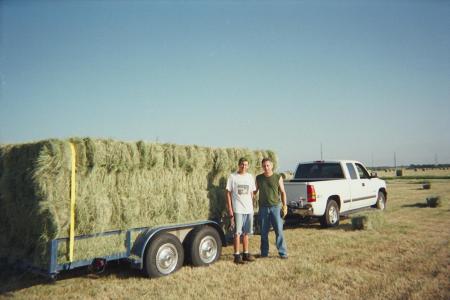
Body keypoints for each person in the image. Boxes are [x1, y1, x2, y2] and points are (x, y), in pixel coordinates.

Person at [255, 157, 288, 259]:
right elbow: (254, 192)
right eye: (264, 166)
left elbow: (282, 192)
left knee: (279, 230)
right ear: (262, 167)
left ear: (272, 166)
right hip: (263, 208)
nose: (266, 167)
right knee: (264, 232)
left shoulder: (278, 177)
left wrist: (285, 205)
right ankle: (264, 253)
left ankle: (283, 253)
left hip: (275, 207)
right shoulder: (259, 178)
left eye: (268, 165)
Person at [226, 157, 257, 264]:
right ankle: (237, 255)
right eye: (242, 164)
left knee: (246, 233)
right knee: (237, 233)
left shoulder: (250, 177)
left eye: (246, 164)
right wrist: (230, 209)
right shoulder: (232, 177)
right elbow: (228, 194)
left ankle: (246, 253)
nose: (244, 166)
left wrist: (252, 207)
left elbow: (252, 193)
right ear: (238, 165)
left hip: (248, 209)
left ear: (248, 166)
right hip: (238, 209)